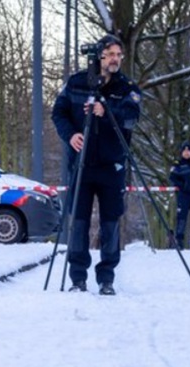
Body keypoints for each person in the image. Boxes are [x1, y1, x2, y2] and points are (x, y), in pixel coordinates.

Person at [51, 34, 142, 296]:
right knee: (78, 222)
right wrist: (70, 134)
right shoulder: (77, 83)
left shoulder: (127, 87)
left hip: (112, 165)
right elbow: (59, 112)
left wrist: (107, 109)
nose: (115, 59)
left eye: (119, 55)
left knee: (110, 222)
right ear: (100, 56)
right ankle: (77, 278)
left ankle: (107, 278)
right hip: (81, 164)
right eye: (111, 54)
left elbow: (132, 118)